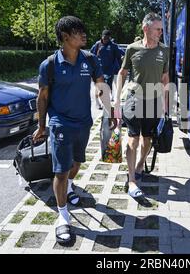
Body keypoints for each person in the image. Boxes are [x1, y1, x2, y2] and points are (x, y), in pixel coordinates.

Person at [33, 16, 109, 244]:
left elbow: (101, 86)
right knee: (61, 171)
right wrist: (42, 126)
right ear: (65, 36)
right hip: (60, 123)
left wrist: (111, 112)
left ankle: (69, 188)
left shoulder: (90, 59)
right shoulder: (49, 65)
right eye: (78, 31)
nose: (84, 35)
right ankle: (63, 216)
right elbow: (42, 97)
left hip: (84, 122)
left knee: (76, 165)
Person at [114, 13, 169, 199]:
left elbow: (164, 78)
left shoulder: (165, 50)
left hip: (154, 102)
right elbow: (122, 73)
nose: (160, 32)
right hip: (133, 100)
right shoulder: (132, 49)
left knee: (147, 140)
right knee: (133, 139)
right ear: (145, 29)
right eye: (157, 29)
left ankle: (139, 166)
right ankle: (131, 180)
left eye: (161, 29)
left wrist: (166, 106)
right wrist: (116, 100)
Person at [91, 29, 124, 108]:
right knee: (98, 87)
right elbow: (91, 55)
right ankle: (97, 103)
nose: (105, 40)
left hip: (109, 72)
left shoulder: (113, 46)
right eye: (104, 38)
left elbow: (122, 53)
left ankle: (105, 103)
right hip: (98, 71)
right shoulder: (97, 45)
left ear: (110, 38)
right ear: (101, 37)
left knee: (106, 89)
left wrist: (124, 57)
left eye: (107, 38)